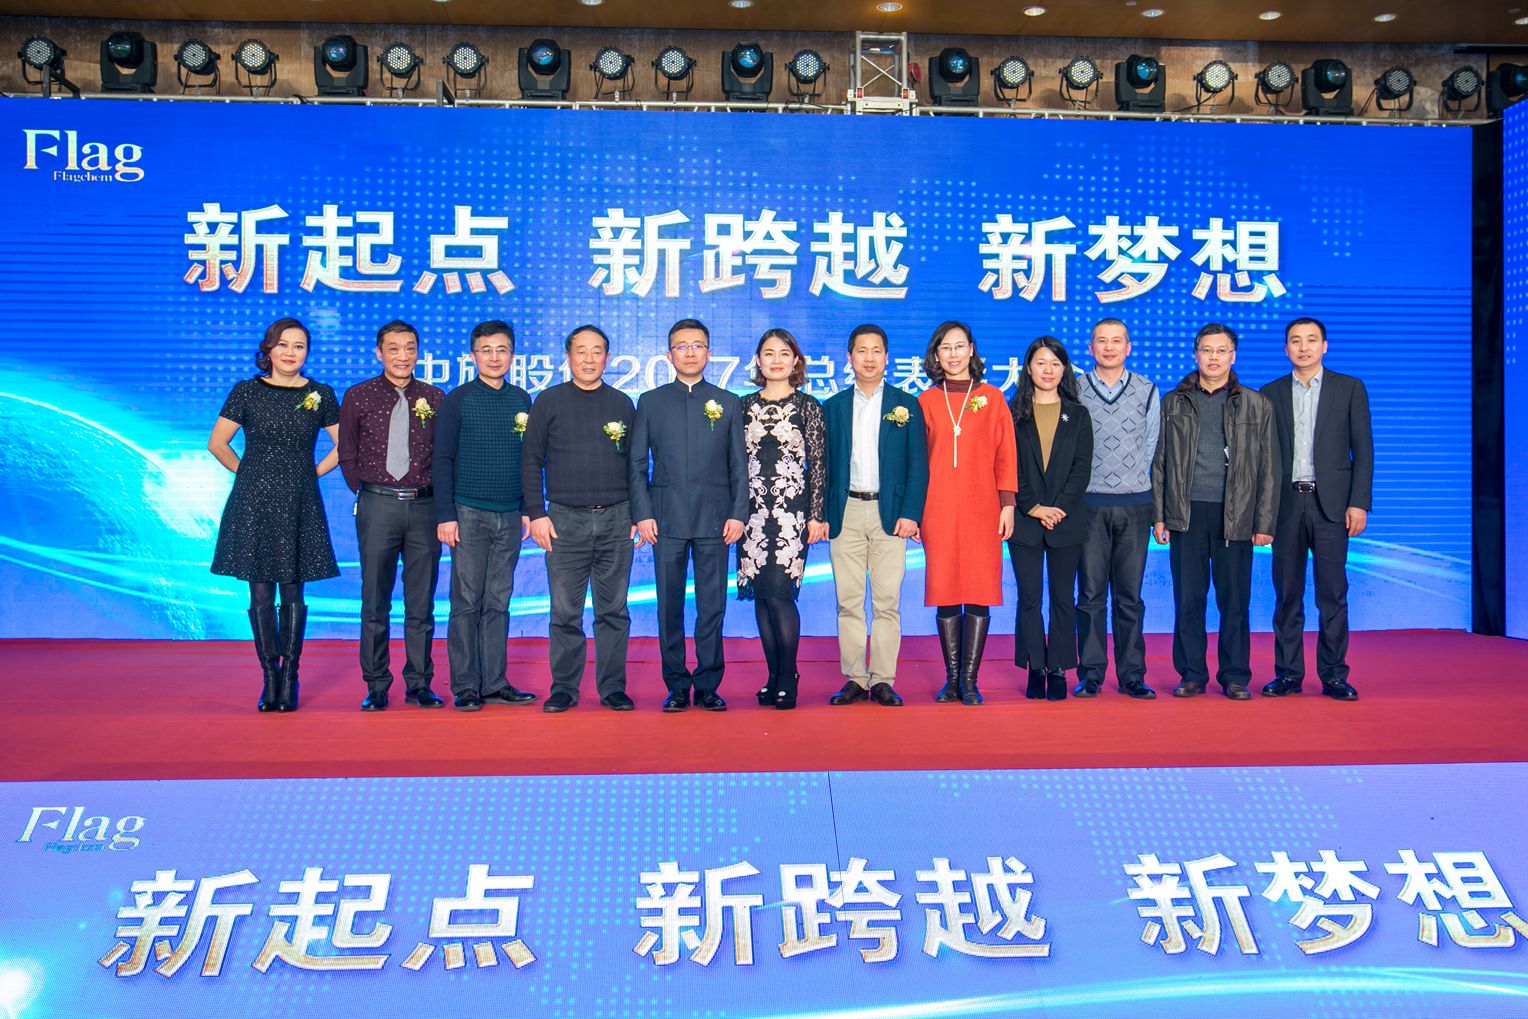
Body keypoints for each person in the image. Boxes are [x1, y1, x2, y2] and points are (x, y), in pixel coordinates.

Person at [209, 317, 339, 713]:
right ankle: (270, 675)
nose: (290, 353)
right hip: (254, 503)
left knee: (294, 589)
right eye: (283, 345)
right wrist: (251, 475)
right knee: (261, 591)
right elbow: (218, 444)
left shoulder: (320, 393)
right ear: (268, 349)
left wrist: (309, 474)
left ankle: (291, 676)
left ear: (307, 352)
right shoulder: (246, 391)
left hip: (299, 501)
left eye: (299, 346)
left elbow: (343, 447)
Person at [1152, 323, 1278, 700]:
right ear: (1196, 355)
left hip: (1235, 515)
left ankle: (1235, 676)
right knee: (1188, 599)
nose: (1213, 357)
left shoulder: (1255, 404)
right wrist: (1159, 515)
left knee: (1234, 601)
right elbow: (1159, 462)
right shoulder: (1174, 402)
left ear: (1233, 356)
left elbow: (1269, 467)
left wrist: (1264, 521)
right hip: (1186, 513)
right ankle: (1192, 674)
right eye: (1207, 350)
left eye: (1221, 351)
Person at [629, 319, 748, 713]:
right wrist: (642, 513)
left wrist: (738, 514)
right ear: (669, 355)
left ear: (709, 353)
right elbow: (636, 464)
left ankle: (709, 684)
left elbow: (739, 466)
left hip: (716, 520)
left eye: (697, 345)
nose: (690, 352)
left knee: (712, 606)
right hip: (665, 520)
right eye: (682, 346)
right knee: (670, 606)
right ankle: (677, 685)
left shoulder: (728, 402)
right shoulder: (651, 401)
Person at [522, 325, 638, 713]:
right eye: (581, 352)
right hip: (563, 521)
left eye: (597, 351)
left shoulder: (622, 403)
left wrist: (638, 515)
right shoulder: (549, 401)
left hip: (616, 519)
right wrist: (537, 514)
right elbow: (530, 461)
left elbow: (636, 465)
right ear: (568, 357)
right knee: (565, 612)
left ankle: (613, 688)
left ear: (608, 357)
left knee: (613, 611)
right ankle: (564, 688)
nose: (589, 359)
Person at [1260, 317, 1372, 702]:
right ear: (1286, 348)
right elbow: (1264, 459)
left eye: (1311, 340)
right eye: (1295, 341)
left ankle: (1335, 676)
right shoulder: (1270, 393)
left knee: (1332, 594)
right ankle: (1288, 674)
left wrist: (1359, 502)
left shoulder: (1349, 388)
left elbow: (1364, 451)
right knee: (1286, 595)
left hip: (1333, 507)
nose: (1303, 347)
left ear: (1325, 346)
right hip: (1287, 505)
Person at [338, 320, 446, 712]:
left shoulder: (435, 397)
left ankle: (419, 682)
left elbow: (444, 456)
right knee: (375, 598)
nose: (403, 356)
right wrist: (369, 492)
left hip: (424, 507)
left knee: (421, 601)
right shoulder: (358, 395)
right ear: (379, 352)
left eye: (410, 348)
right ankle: (377, 684)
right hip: (378, 505)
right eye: (394, 348)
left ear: (418, 352)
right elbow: (347, 453)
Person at [433, 321, 538, 712]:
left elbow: (529, 460)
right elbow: (442, 459)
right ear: (473, 356)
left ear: (512, 355)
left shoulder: (522, 400)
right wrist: (446, 515)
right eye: (486, 350)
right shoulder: (457, 400)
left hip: (509, 515)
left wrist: (527, 508)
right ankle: (465, 685)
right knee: (466, 601)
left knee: (498, 601)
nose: (494, 357)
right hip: (468, 513)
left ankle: (494, 682)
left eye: (502, 350)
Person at [823, 324, 928, 708]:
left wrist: (911, 513)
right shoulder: (833, 407)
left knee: (887, 601)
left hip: (891, 513)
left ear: (887, 357)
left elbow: (918, 465)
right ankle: (854, 678)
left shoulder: (906, 404)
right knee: (848, 600)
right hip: (846, 511)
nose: (869, 358)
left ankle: (883, 679)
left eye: (876, 351)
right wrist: (823, 514)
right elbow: (822, 466)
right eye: (861, 351)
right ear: (849, 357)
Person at [917, 321, 1017, 706]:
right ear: (936, 354)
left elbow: (1006, 455)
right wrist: (914, 512)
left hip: (983, 506)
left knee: (978, 587)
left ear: (972, 350)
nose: (954, 354)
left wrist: (1007, 504)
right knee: (945, 587)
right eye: (946, 348)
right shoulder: (927, 401)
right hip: (938, 507)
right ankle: (951, 680)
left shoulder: (992, 398)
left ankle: (970, 681)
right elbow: (918, 462)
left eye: (960, 346)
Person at [737, 328, 827, 711]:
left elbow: (818, 465)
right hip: (751, 513)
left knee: (780, 593)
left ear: (796, 361)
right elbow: (733, 464)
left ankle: (789, 675)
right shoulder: (742, 406)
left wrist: (817, 515)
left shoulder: (808, 407)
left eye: (784, 353)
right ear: (758, 361)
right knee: (761, 595)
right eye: (769, 353)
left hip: (792, 512)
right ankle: (772, 676)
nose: (776, 360)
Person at [1075, 318, 1160, 700]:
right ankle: (1091, 674)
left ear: (1128, 347)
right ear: (1090, 348)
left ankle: (1132, 675)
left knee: (1130, 597)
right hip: (1088, 506)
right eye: (1101, 341)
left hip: (1135, 505)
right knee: (1090, 595)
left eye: (1116, 341)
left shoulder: (1147, 389)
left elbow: (1152, 446)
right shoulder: (1074, 389)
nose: (1108, 347)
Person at [1007, 337, 1093, 701]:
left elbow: (1081, 468)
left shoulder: (1078, 414)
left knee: (1062, 597)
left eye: (1055, 364)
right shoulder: (1013, 413)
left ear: (1064, 369)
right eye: (1041, 363)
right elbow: (1008, 465)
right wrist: (1032, 506)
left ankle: (1058, 667)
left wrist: (1058, 508)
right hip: (1026, 520)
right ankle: (1035, 667)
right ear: (1028, 367)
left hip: (1066, 520)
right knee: (1029, 598)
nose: (1048, 370)